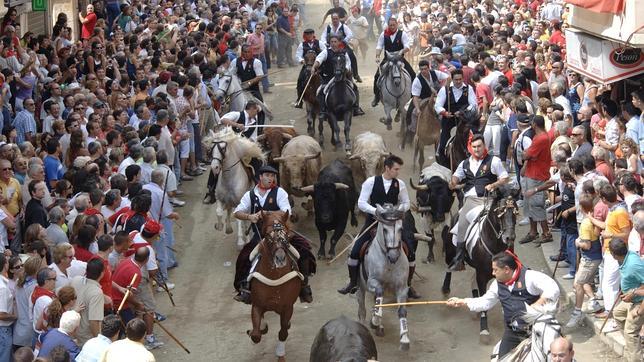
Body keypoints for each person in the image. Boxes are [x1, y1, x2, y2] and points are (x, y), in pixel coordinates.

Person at [447, 251, 560, 359]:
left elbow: (553, 288)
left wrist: (535, 307)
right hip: (513, 332)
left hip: (539, 330)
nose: (493, 273)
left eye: (495, 270)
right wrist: (462, 301)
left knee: (558, 355)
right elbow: (485, 302)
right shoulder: (497, 285)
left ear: (506, 269)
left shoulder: (529, 277)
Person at [338, 155, 410, 295]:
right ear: (387, 168)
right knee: (354, 252)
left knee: (410, 251)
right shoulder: (371, 182)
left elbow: (406, 203)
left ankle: (409, 285)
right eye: (395, 169)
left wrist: (396, 212)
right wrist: (376, 211)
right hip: (373, 222)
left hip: (393, 223)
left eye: (398, 169)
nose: (397, 172)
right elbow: (361, 203)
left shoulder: (400, 184)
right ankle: (353, 283)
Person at [447, 135, 509, 271]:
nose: (477, 149)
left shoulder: (494, 161)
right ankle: (459, 258)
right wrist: (454, 181)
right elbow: (456, 176)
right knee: (461, 223)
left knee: (505, 222)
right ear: (470, 148)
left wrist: (494, 184)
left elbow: (505, 177)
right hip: (471, 201)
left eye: (479, 146)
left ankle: (510, 254)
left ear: (484, 146)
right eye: (474, 147)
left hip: (490, 200)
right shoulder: (464, 163)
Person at [232, 165, 292, 303]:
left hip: (279, 233)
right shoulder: (250, 195)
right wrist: (250, 217)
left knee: (302, 248)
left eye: (273, 176)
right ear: (260, 177)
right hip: (260, 235)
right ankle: (245, 287)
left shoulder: (280, 193)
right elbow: (237, 212)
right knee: (244, 257)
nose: (270, 179)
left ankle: (304, 285)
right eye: (267, 176)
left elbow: (287, 211)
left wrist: (266, 214)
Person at [311, 35, 365, 118]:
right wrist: (314, 66)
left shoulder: (344, 52)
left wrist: (345, 71)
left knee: (354, 87)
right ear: (329, 43)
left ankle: (356, 107)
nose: (333, 43)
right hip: (329, 78)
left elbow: (348, 64)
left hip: (343, 77)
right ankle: (323, 111)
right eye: (331, 42)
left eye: (335, 42)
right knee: (321, 91)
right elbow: (319, 59)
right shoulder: (326, 52)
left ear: (339, 42)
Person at [608, 238, 643, 362]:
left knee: (630, 333)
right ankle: (632, 347)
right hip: (632, 299)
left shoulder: (633, 265)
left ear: (613, 254)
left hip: (640, 302)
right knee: (618, 313)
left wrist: (639, 311)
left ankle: (635, 358)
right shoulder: (626, 257)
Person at [520, 115, 553, 246]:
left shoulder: (541, 138)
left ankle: (546, 233)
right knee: (529, 204)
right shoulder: (539, 137)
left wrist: (526, 154)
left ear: (534, 124)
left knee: (536, 204)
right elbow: (529, 156)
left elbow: (526, 154)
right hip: (532, 173)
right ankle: (533, 232)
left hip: (537, 175)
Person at [434, 68, 477, 165]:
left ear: (463, 79)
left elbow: (474, 105)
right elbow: (437, 105)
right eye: (456, 80)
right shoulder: (445, 89)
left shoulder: (468, 89)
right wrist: (444, 113)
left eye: (460, 79)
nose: (458, 82)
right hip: (448, 121)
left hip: (464, 121)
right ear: (452, 79)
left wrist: (463, 112)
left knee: (476, 139)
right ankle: (443, 164)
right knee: (443, 145)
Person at [372, 17, 415, 107]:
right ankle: (377, 97)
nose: (392, 27)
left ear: (397, 25)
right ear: (388, 25)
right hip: (388, 59)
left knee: (413, 74)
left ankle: (412, 96)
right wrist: (377, 55)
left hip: (399, 59)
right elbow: (379, 46)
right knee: (377, 76)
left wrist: (401, 52)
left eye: (394, 25)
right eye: (390, 25)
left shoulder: (402, 34)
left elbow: (407, 46)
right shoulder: (384, 34)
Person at [70, 258, 104, 346]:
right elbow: (94, 322)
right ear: (102, 274)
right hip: (86, 341)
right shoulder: (97, 293)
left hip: (71, 334)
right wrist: (99, 342)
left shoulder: (75, 280)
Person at [320, 12, 361, 83]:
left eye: (336, 19)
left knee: (351, 55)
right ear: (331, 19)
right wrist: (324, 43)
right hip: (331, 46)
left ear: (339, 19)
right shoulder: (328, 27)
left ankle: (355, 74)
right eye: (333, 19)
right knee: (323, 57)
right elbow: (323, 36)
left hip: (342, 46)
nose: (335, 20)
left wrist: (344, 40)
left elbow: (350, 34)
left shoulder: (343, 26)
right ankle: (322, 74)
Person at [294, 29, 322, 108]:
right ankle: (299, 99)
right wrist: (302, 60)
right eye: (307, 34)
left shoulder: (319, 43)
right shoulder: (302, 45)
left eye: (311, 33)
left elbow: (324, 52)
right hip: (307, 67)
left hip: (318, 66)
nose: (309, 35)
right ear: (305, 35)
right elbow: (298, 56)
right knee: (300, 80)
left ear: (313, 34)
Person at [0, 254, 16, 362]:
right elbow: (1, 314)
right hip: (3, 330)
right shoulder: (3, 288)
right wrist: (15, 317)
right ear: (5, 265)